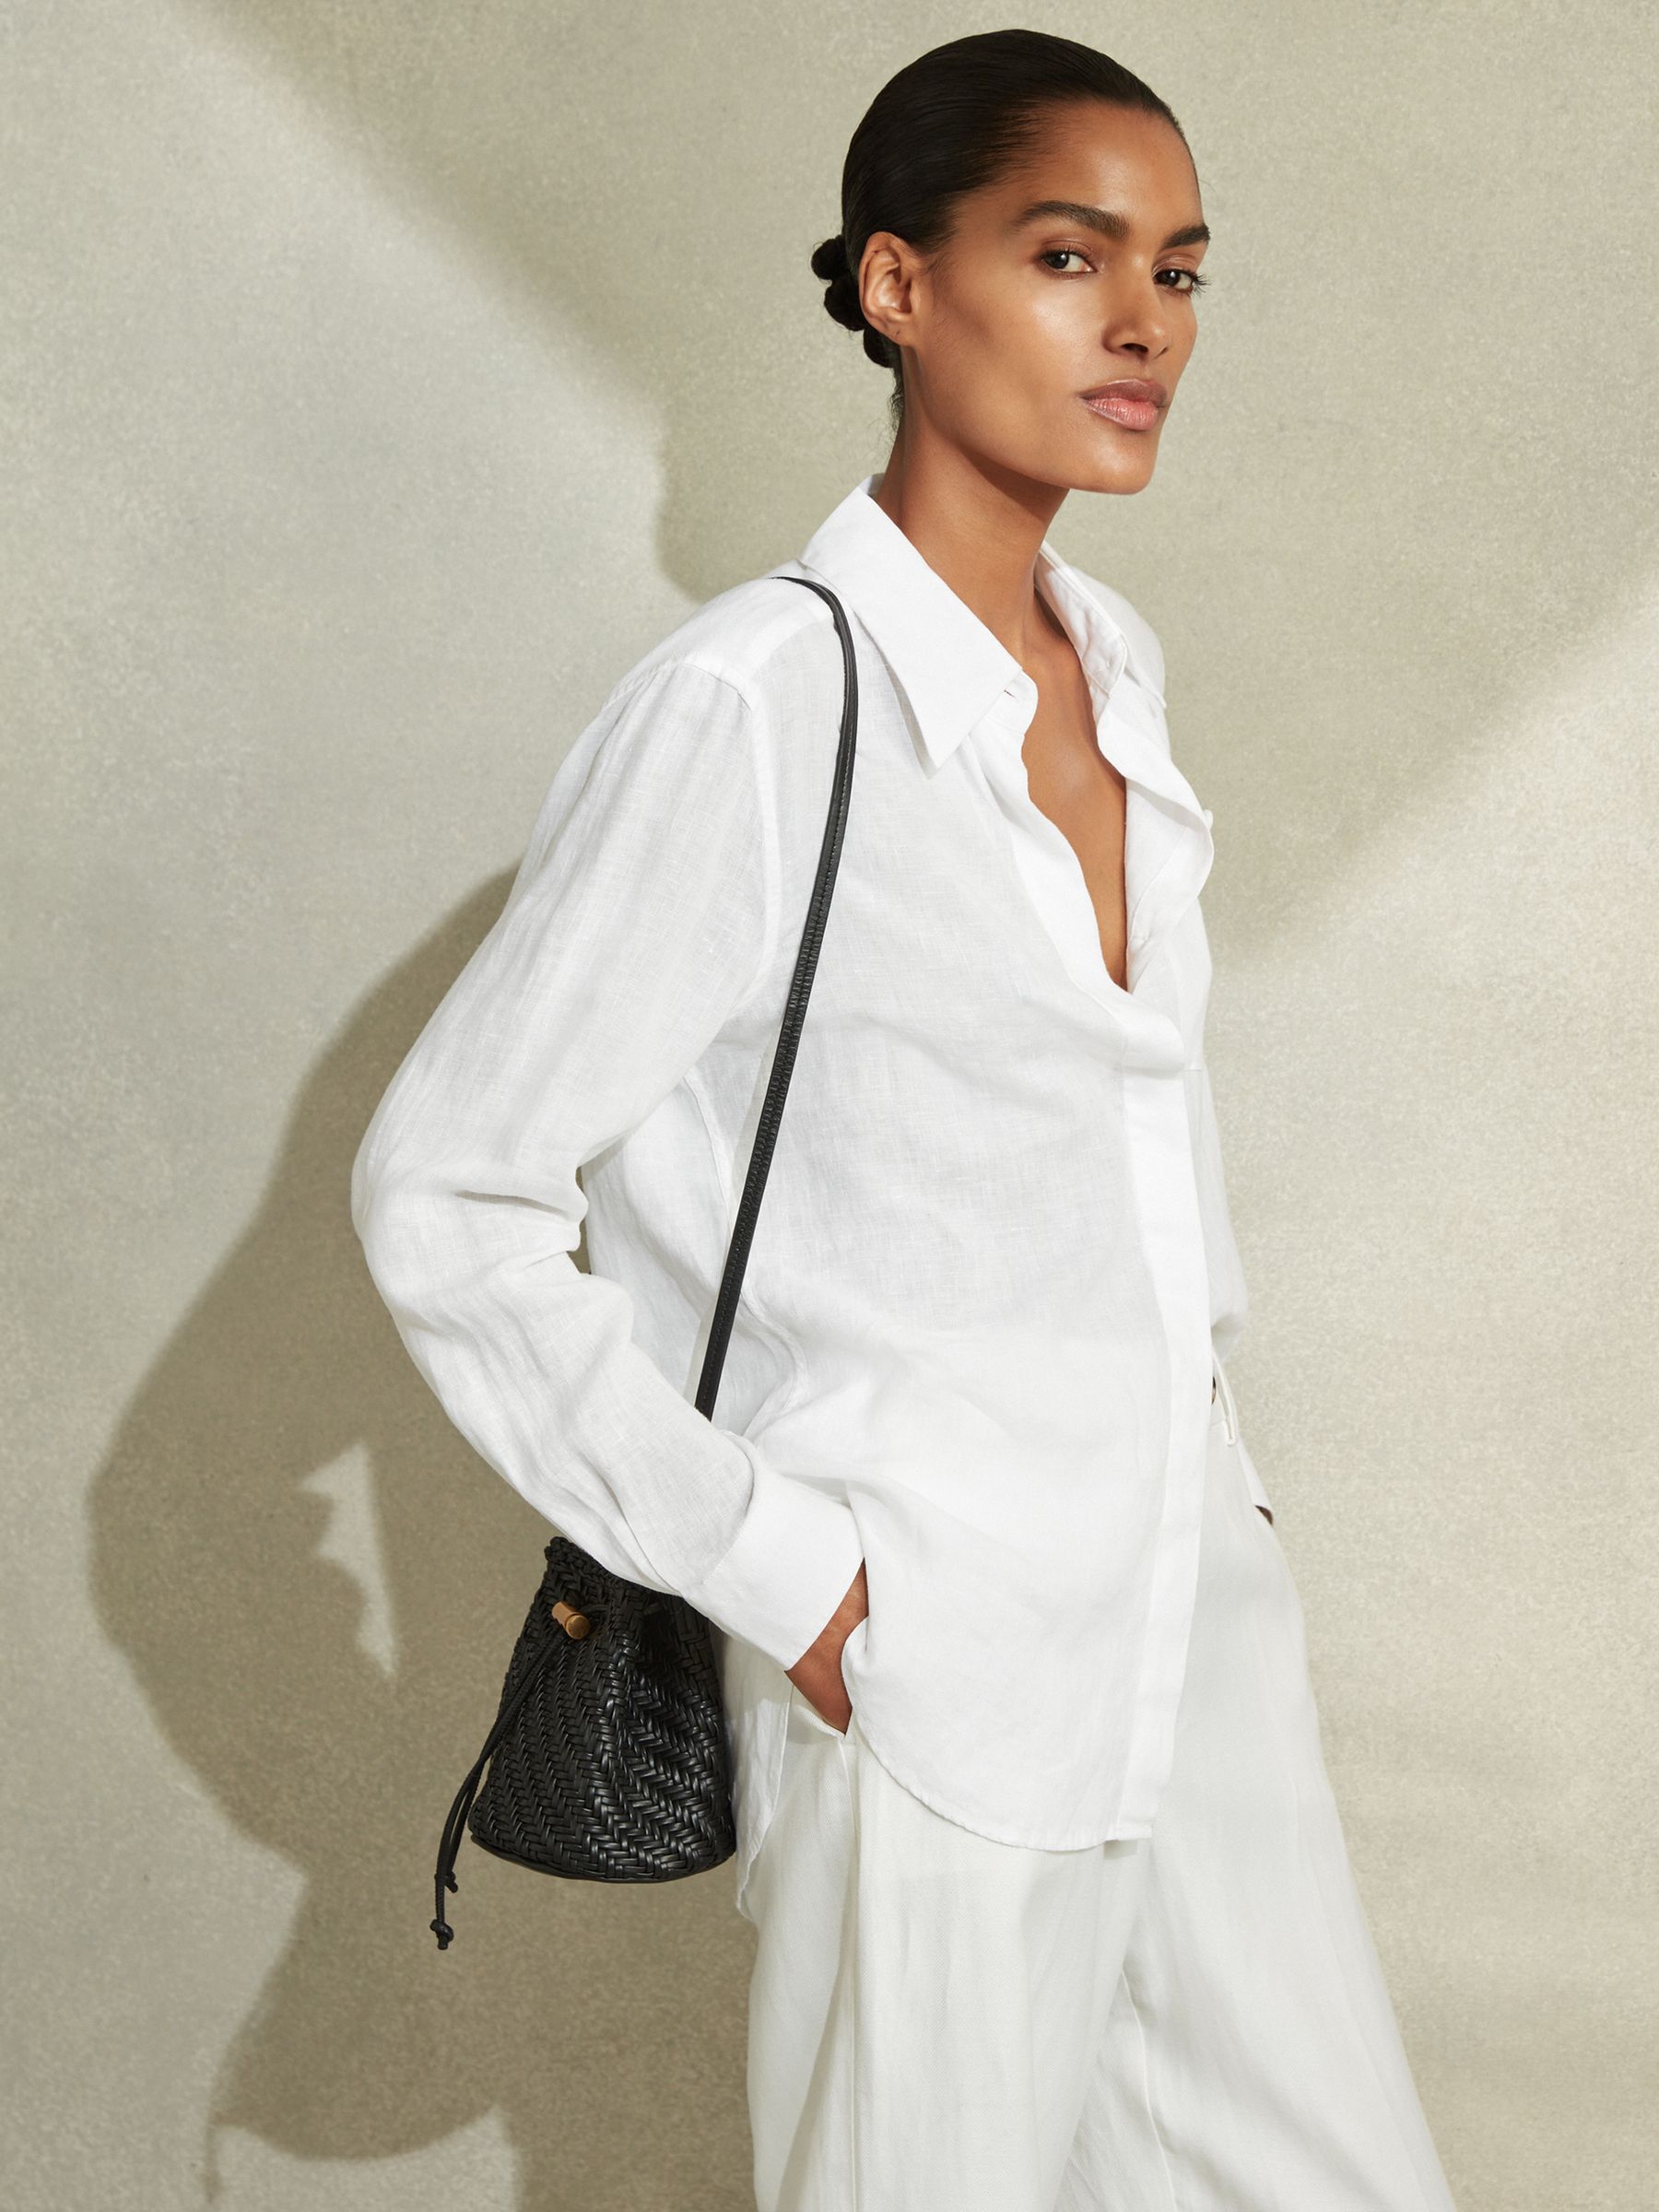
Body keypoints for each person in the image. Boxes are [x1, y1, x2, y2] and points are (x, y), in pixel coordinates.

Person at [350, 27, 1461, 2212]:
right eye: (1068, 255)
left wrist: (1216, 1499)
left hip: (1187, 1629)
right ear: (897, 284)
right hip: (933, 1655)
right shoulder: (755, 708)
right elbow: (444, 1191)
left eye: (1180, 270)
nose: (1145, 322)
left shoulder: (1114, 671)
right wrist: (798, 1579)